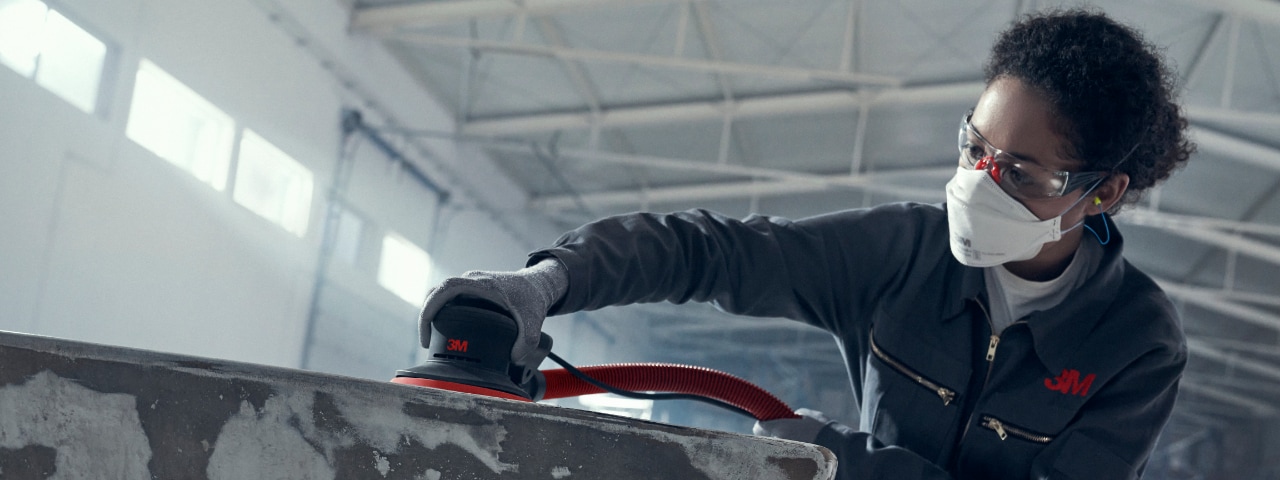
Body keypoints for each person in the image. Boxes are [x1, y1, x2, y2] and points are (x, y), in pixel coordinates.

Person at [419, 8, 1194, 479]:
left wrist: (838, 459)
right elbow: (714, 253)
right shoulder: (904, 255)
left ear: (1103, 191)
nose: (979, 185)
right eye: (972, 149)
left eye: (1020, 171)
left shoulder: (1136, 340)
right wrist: (552, 281)